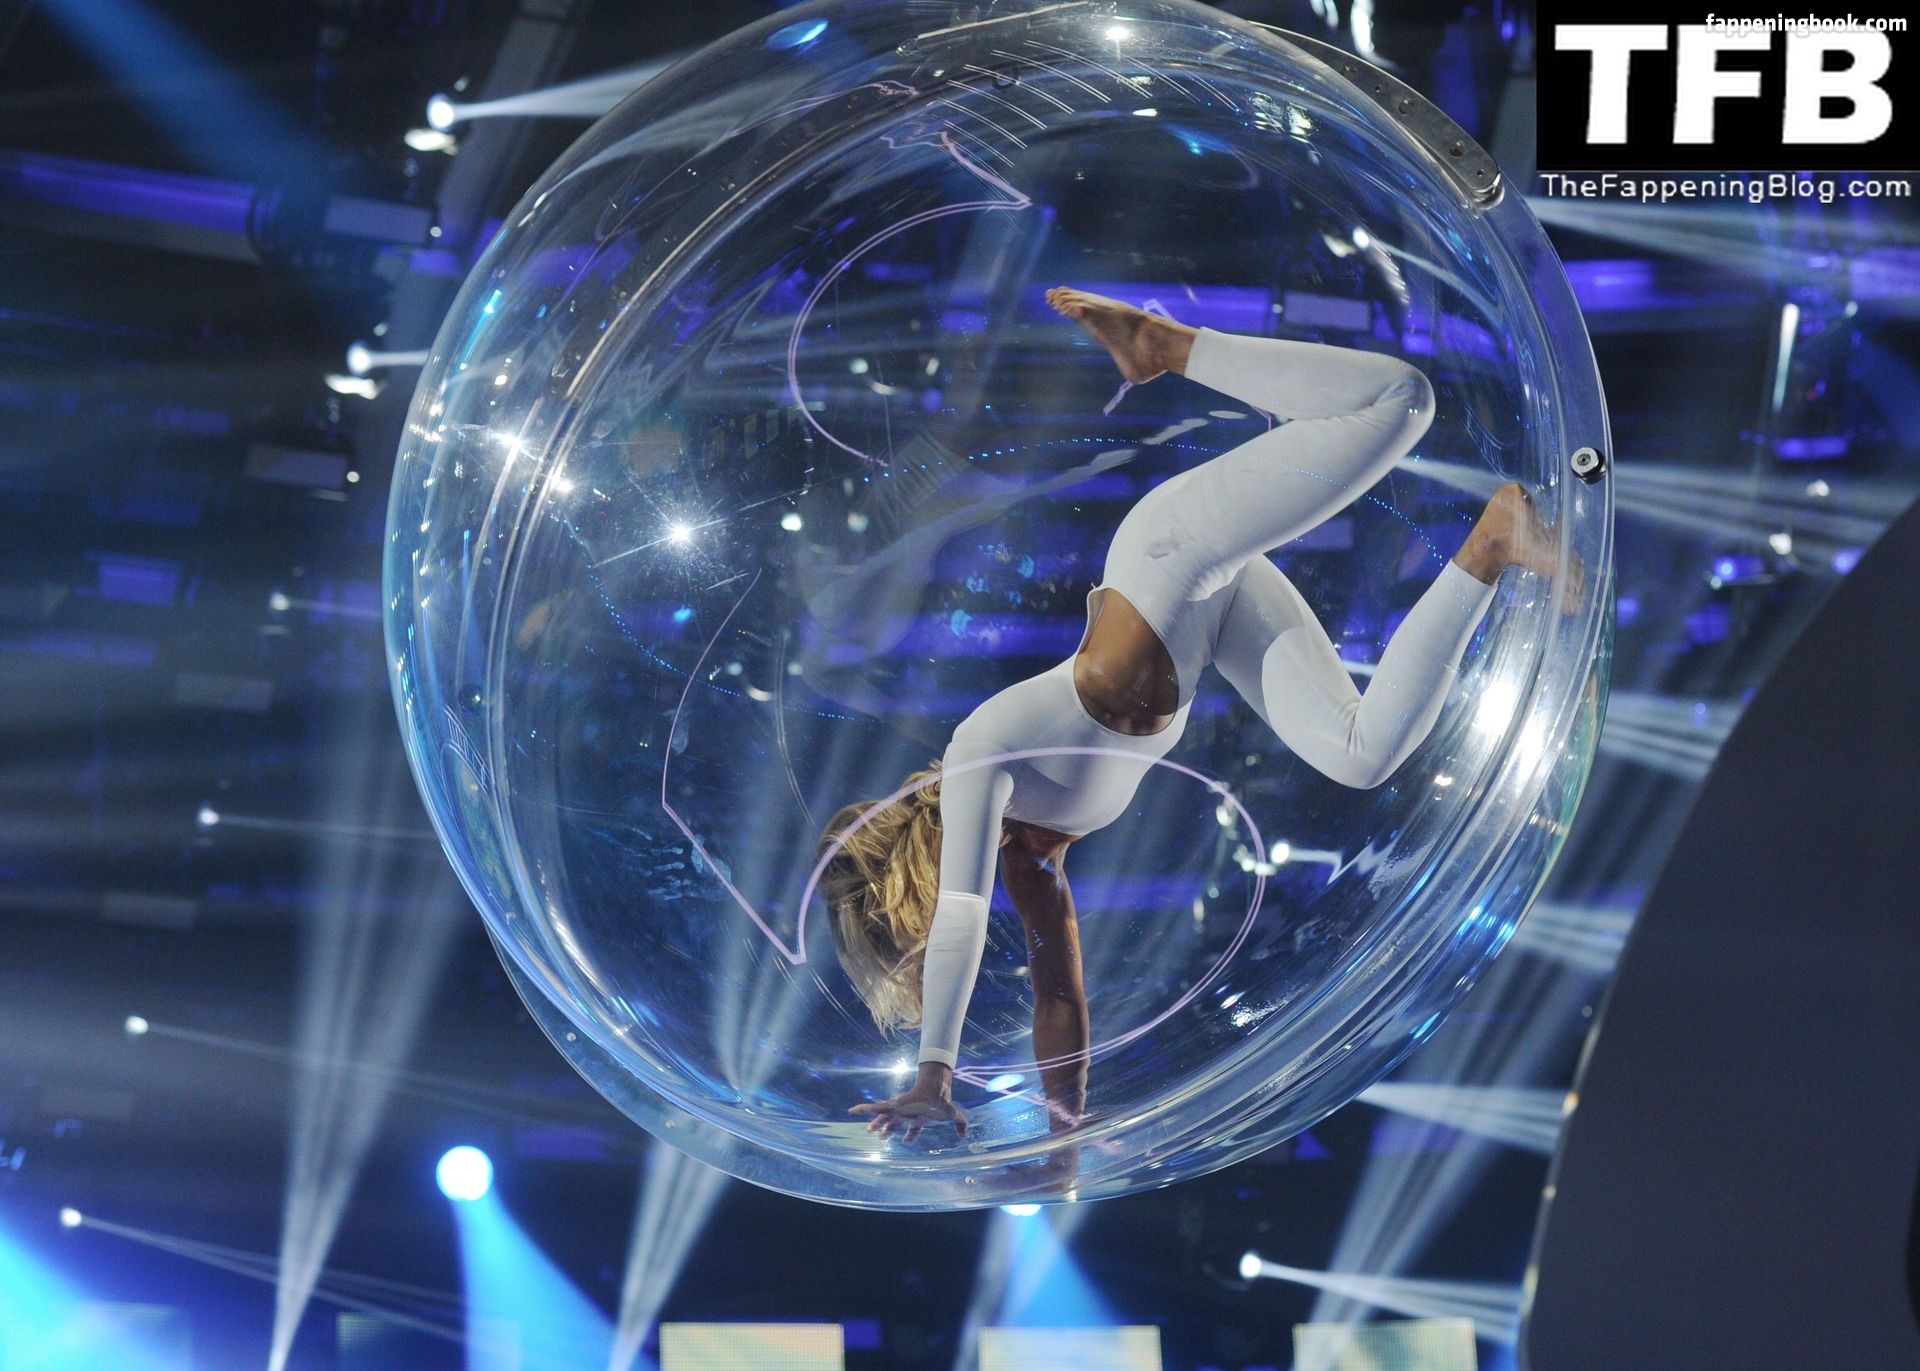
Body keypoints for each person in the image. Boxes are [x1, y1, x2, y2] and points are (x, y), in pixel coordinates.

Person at [819, 287, 1570, 1144]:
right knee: (1361, 753)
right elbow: (1059, 997)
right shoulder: (1034, 861)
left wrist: (934, 1076)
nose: (937, 928)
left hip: (1170, 553)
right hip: (1213, 613)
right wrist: (1064, 1144)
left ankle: (1164, 345)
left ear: (908, 880)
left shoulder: (975, 761)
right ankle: (1493, 542)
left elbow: (960, 912)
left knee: (1401, 400)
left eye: (908, 928)